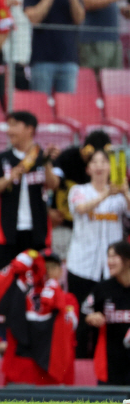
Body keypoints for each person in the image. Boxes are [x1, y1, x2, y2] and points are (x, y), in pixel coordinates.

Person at [67, 149, 130, 358]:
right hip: (81, 268)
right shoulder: (78, 190)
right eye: (95, 162)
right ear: (89, 168)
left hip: (111, 270)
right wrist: (106, 194)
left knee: (108, 324)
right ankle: (81, 370)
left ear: (111, 168)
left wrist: (125, 192)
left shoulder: (120, 198)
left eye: (105, 162)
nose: (100, 165)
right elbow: (81, 209)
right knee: (83, 322)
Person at [0, 111, 59, 281]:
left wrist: (46, 163)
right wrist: (10, 177)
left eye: (14, 125)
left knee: (38, 280)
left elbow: (54, 185)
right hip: (7, 233)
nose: (9, 131)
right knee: (1, 282)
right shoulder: (2, 159)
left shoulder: (43, 157)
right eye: (9, 125)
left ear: (29, 129)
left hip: (37, 233)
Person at [0, 249, 77, 385]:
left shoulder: (68, 299)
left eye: (52, 267)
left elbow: (71, 327)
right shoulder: (20, 291)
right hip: (21, 369)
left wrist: (55, 296)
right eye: (43, 267)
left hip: (51, 372)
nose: (47, 271)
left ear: (60, 271)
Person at [23, 0, 84, 95]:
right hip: (42, 59)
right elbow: (34, 18)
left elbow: (79, 18)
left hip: (69, 58)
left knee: (68, 107)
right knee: (40, 105)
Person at [49, 130, 111, 261]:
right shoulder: (66, 158)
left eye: (103, 160)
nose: (97, 165)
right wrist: (47, 210)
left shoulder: (108, 167)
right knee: (58, 264)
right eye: (93, 160)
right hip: (63, 224)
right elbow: (49, 184)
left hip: (92, 226)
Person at [83, 240, 130, 385]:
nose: (109, 261)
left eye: (114, 257)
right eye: (108, 257)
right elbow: (85, 311)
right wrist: (92, 317)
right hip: (110, 363)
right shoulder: (103, 288)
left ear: (127, 260)